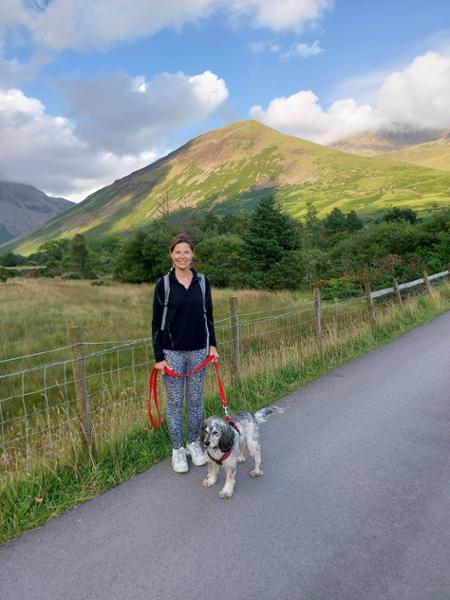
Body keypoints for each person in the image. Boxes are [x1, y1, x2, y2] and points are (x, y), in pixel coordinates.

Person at [152, 233, 219, 473]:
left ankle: (193, 443)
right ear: (171, 254)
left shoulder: (203, 281)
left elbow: (208, 316)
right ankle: (178, 450)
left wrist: (213, 346)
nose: (182, 256)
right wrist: (159, 357)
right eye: (178, 251)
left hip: (200, 351)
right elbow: (156, 322)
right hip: (172, 353)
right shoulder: (164, 284)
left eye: (187, 251)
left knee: (194, 401)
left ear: (193, 254)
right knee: (175, 402)